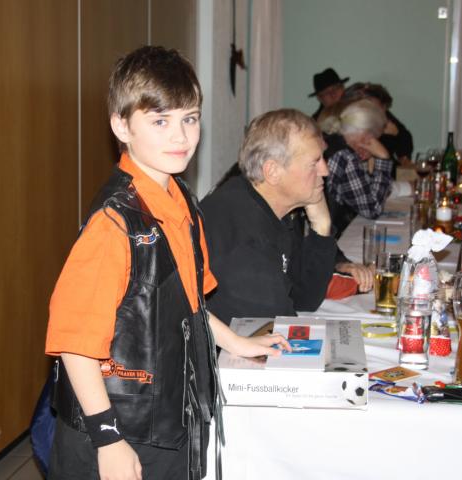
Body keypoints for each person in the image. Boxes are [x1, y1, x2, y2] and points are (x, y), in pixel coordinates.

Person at [44, 46, 288, 480]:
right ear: (122, 126)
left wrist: (235, 343)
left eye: (189, 119)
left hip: (170, 423)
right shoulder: (114, 224)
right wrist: (107, 438)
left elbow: (188, 304)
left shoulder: (182, 202)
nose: (181, 137)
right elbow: (75, 347)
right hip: (118, 430)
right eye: (160, 121)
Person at [201, 109, 338, 325]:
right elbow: (271, 327)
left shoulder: (271, 209)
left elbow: (304, 298)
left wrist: (322, 225)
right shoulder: (242, 232)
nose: (325, 171)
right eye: (315, 162)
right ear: (273, 171)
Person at [319, 99, 394, 235]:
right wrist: (383, 159)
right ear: (367, 136)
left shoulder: (329, 140)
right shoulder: (346, 156)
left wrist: (370, 162)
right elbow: (372, 209)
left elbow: (362, 193)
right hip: (328, 236)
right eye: (376, 138)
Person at [341, 82, 414, 164]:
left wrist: (398, 134)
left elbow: (405, 137)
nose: (382, 114)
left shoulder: (383, 116)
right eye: (374, 108)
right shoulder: (347, 131)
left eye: (383, 107)